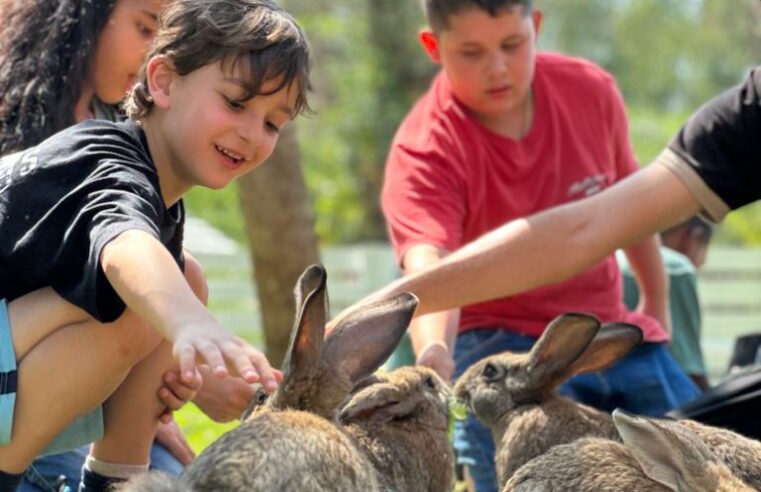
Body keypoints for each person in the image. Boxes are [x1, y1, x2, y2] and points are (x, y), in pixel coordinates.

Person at [379, 1, 698, 489]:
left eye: (512, 45)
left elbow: (632, 206)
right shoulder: (424, 149)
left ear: (537, 27)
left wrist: (654, 303)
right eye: (471, 52)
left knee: (704, 448)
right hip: (495, 343)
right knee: (525, 469)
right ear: (433, 47)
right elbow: (428, 262)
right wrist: (435, 351)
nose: (498, 68)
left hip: (598, 329)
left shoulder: (591, 91)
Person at [0, 0, 311, 490]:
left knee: (179, 279)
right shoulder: (105, 160)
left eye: (273, 123)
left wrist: (174, 345)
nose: (252, 133)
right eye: (235, 103)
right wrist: (189, 323)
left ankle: (118, 482)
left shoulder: (161, 205)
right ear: (163, 81)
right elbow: (124, 247)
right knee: (151, 293)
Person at [618, 217, 715, 391]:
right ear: (694, 238)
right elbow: (690, 369)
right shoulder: (677, 269)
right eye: (701, 261)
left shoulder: (611, 259)